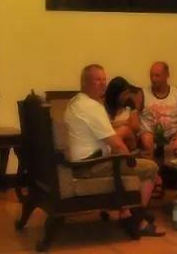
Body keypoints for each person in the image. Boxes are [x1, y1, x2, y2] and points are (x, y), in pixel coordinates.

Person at [65, 64, 165, 237]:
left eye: (104, 79)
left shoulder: (75, 102)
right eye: (98, 79)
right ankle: (137, 222)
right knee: (150, 168)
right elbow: (117, 144)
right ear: (86, 82)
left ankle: (126, 214)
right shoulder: (92, 107)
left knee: (131, 163)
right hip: (92, 165)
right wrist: (131, 160)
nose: (103, 83)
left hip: (80, 163)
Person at [105, 76, 140, 152]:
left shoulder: (129, 103)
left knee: (124, 130)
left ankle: (109, 151)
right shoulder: (104, 105)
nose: (127, 97)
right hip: (111, 137)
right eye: (124, 94)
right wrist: (125, 122)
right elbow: (103, 126)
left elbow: (136, 126)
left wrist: (114, 124)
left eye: (128, 93)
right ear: (115, 94)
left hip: (130, 140)